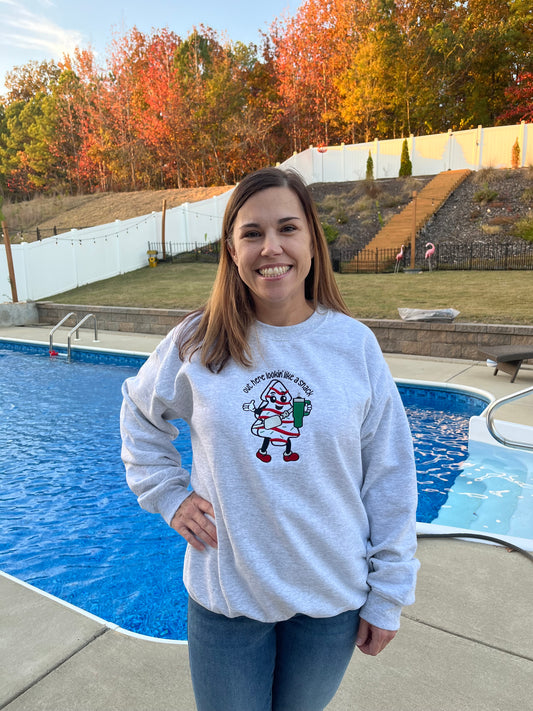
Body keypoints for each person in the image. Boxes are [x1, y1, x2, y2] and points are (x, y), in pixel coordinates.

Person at [120, 167, 419, 711]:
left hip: (330, 599)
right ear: (232, 251)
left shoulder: (354, 346)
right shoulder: (198, 341)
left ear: (311, 241)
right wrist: (167, 493)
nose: (270, 247)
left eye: (287, 228)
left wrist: (389, 593)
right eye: (252, 233)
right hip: (227, 597)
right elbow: (140, 412)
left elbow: (390, 475)